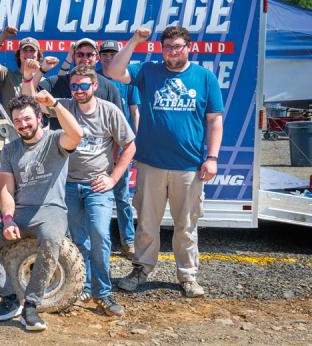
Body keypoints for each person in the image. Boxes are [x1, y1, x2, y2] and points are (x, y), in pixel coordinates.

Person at [107, 26, 224, 298]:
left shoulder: (205, 78)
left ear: (189, 47)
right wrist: (135, 40)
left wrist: (212, 157)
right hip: (150, 164)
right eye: (168, 47)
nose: (173, 52)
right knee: (147, 223)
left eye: (178, 46)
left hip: (189, 166)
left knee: (186, 225)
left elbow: (215, 120)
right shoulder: (148, 72)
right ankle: (141, 269)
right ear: (162, 49)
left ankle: (188, 276)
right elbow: (114, 71)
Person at [0, 94, 82, 332]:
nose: (23, 124)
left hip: (50, 210)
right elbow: (6, 190)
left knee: (51, 239)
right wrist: (8, 219)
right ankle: (10, 299)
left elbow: (77, 134)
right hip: (20, 211)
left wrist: (54, 104)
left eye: (28, 118)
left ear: (39, 117)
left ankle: (31, 305)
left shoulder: (55, 141)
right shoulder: (10, 150)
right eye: (17, 121)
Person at [61, 65, 136, 315]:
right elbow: (35, 101)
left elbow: (130, 146)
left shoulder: (109, 110)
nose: (79, 91)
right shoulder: (65, 107)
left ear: (94, 86)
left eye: (84, 86)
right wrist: (29, 77)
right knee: (79, 240)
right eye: (74, 86)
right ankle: (84, 287)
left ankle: (103, 293)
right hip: (70, 186)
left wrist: (114, 178)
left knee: (101, 237)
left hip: (97, 186)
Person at [98, 39, 141, 259]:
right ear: (99, 56)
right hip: (99, 149)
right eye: (104, 54)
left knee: (123, 197)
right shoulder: (92, 79)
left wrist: (136, 145)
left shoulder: (127, 80)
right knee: (95, 198)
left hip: (122, 146)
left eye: (112, 54)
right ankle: (98, 242)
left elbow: (135, 112)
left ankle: (128, 242)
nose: (108, 57)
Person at [22, 38, 123, 130]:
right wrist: (40, 70)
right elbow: (27, 100)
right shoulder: (57, 82)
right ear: (73, 56)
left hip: (96, 149)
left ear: (97, 58)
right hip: (62, 148)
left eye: (89, 55)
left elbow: (118, 128)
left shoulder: (109, 88)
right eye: (80, 54)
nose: (85, 58)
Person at [0, 27, 60, 112]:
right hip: (11, 124)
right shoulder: (7, 76)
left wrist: (42, 70)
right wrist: (3, 35)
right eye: (25, 50)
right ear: (19, 54)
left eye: (32, 50)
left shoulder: (45, 82)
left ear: (38, 55)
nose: (28, 54)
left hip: (37, 125)